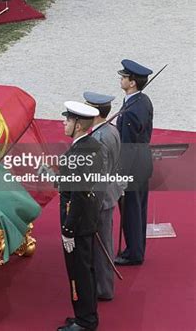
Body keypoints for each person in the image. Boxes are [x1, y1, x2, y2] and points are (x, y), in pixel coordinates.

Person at [58, 101, 103, 331]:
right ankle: (87, 316)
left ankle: (85, 321)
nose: (63, 122)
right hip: (87, 221)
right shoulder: (91, 145)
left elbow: (79, 194)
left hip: (76, 222)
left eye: (67, 119)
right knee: (87, 269)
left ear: (77, 125)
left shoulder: (80, 152)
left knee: (79, 273)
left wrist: (68, 229)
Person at [83, 92, 123, 301]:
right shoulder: (111, 130)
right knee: (102, 243)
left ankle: (103, 288)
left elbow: (98, 175)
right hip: (111, 193)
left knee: (101, 246)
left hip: (101, 198)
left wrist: (92, 202)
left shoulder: (98, 138)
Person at [114, 59, 154, 266]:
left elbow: (127, 145)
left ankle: (133, 253)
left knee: (131, 211)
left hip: (132, 165)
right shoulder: (143, 100)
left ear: (132, 83)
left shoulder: (130, 110)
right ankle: (137, 248)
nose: (121, 79)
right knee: (139, 208)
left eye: (124, 77)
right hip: (143, 161)